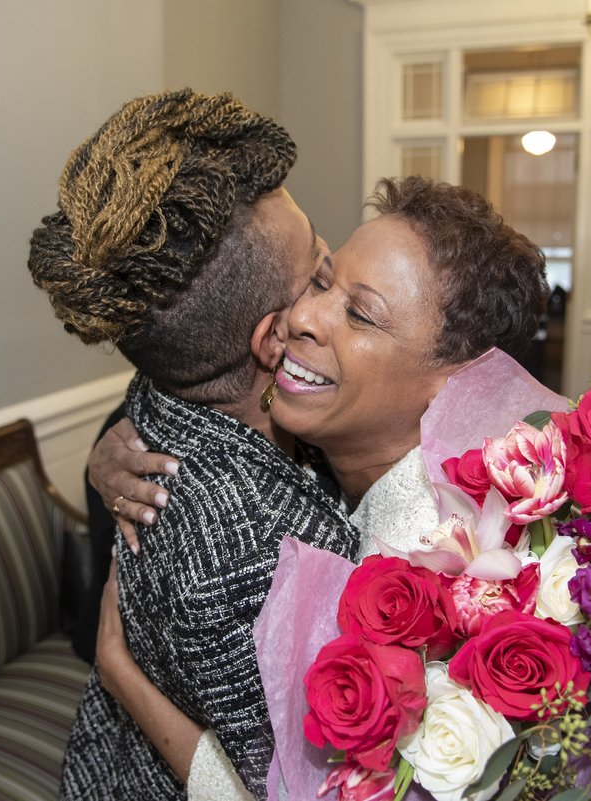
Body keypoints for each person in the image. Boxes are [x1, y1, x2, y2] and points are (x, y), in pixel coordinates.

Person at [88, 176, 551, 799]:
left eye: (360, 313)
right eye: (322, 280)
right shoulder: (314, 430)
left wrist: (125, 679)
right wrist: (110, 444)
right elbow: (185, 362)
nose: (300, 318)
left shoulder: (422, 576)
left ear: (454, 384)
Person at [27, 89, 365, 800]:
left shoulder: (164, 388)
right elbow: (283, 784)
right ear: (277, 339)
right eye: (321, 271)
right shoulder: (246, 551)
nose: (335, 271)